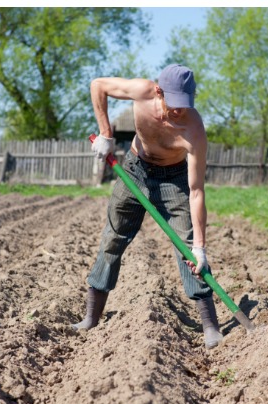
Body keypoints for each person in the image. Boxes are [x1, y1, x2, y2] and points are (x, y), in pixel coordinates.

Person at [72, 64, 223, 349]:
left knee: (188, 248)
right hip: (134, 171)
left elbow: (196, 191)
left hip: (175, 181)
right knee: (112, 239)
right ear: (158, 91)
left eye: (184, 104)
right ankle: (91, 316)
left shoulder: (193, 129)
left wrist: (200, 247)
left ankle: (210, 326)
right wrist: (106, 134)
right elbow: (98, 85)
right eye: (173, 103)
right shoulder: (141, 92)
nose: (178, 111)